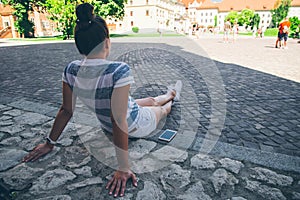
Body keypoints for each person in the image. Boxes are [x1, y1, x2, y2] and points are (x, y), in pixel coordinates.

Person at [22, 3, 182, 198]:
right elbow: (119, 119)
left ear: (79, 44)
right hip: (135, 124)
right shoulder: (118, 70)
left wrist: (49, 143)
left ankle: (169, 93)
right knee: (162, 110)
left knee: (149, 99)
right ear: (107, 42)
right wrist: (123, 167)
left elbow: (66, 110)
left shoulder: (71, 69)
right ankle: (172, 98)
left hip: (110, 121)